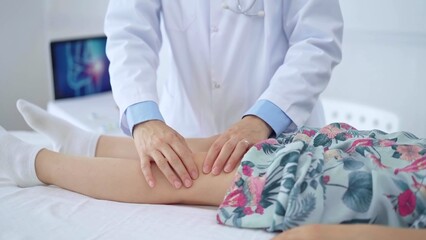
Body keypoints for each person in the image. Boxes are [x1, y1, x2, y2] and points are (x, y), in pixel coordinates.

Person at [1, 99, 425, 240]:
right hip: (394, 156)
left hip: (380, 185)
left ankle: (34, 163)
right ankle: (87, 144)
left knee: (192, 175)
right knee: (226, 148)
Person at [104, 0, 344, 190]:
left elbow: (317, 41)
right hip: (185, 130)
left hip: (281, 136)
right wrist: (142, 116)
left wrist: (265, 118)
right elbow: (129, 34)